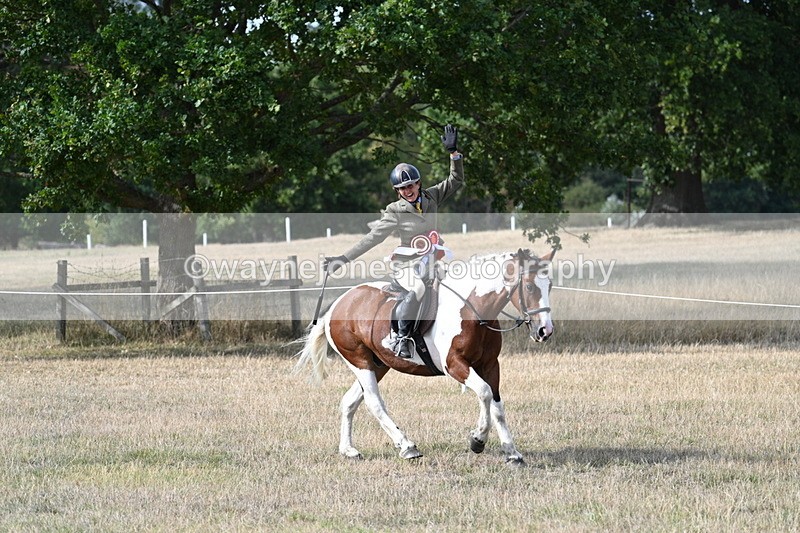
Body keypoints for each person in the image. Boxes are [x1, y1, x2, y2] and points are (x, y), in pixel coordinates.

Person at [324, 124, 464, 358]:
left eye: (410, 185)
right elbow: (373, 238)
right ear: (397, 191)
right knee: (419, 287)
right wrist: (343, 259)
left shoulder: (432, 196)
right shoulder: (394, 210)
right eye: (402, 188)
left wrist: (454, 154)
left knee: (456, 284)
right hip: (407, 265)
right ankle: (402, 338)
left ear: (418, 184)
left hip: (434, 260)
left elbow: (456, 180)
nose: (407, 191)